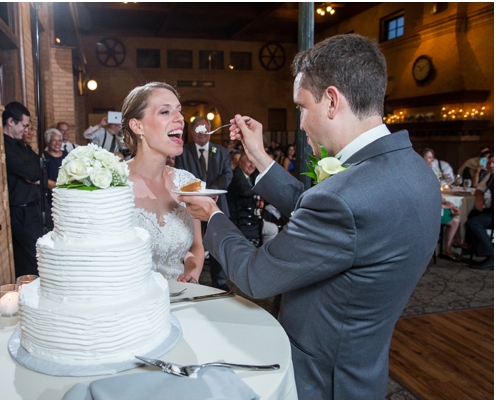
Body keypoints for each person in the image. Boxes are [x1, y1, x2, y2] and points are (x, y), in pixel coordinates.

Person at [180, 34, 440, 399]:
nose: (300, 123)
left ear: (332, 100)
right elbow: (323, 211)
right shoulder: (414, 170)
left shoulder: (347, 199)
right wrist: (260, 158)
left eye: (302, 107)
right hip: (363, 371)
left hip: (320, 379)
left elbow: (257, 275)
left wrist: (214, 216)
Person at [118, 82, 205, 283]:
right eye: (165, 112)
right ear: (137, 126)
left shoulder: (187, 183)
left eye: (179, 111)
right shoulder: (114, 183)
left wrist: (192, 273)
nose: (180, 119)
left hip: (180, 299)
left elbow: (196, 246)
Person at [174, 116, 233, 288]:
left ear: (210, 131)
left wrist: (210, 192)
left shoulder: (221, 151)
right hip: (189, 206)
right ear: (192, 132)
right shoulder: (183, 151)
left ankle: (219, 280)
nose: (202, 133)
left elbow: (227, 175)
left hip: (217, 204)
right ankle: (189, 275)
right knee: (192, 241)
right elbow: (179, 173)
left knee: (217, 241)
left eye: (205, 128)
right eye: (198, 129)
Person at [1, 101, 43, 277]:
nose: (26, 130)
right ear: (11, 121)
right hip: (21, 212)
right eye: (24, 125)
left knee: (34, 259)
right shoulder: (6, 145)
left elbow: (41, 166)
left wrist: (35, 172)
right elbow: (33, 173)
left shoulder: (20, 145)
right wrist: (34, 172)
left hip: (32, 210)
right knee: (34, 261)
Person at [226, 153, 279, 245]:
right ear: (240, 162)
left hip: (249, 217)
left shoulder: (249, 176)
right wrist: (261, 189)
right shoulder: (236, 174)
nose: (252, 165)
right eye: (249, 162)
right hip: (242, 222)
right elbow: (244, 191)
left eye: (254, 162)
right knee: (273, 229)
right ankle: (265, 257)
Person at [465, 156, 493, 269]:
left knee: (474, 223)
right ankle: (473, 248)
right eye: (489, 163)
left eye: (493, 163)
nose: (490, 165)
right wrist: (480, 198)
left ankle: (491, 255)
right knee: (472, 214)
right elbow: (479, 189)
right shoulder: (491, 175)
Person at [42, 128, 68, 231]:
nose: (57, 143)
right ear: (48, 142)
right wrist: (60, 187)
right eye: (54, 140)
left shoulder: (67, 156)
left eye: (59, 140)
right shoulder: (44, 156)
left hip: (66, 196)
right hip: (51, 197)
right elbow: (44, 179)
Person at [439, 195, 464, 262]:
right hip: (429, 211)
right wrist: (447, 206)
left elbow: (441, 198)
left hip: (437, 207)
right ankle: (449, 247)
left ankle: (456, 242)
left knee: (456, 215)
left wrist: (448, 204)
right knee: (455, 220)